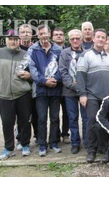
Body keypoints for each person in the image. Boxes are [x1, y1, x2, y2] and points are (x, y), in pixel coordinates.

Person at [0, 30, 32, 160]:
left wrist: (29, 76)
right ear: (6, 40)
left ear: (19, 40)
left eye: (15, 39)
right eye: (10, 39)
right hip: (4, 94)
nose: (12, 41)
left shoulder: (26, 55)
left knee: (24, 121)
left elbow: (33, 74)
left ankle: (25, 144)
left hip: (22, 93)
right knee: (7, 122)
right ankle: (8, 148)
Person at [76, 28, 109, 162]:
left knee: (103, 123)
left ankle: (104, 149)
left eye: (103, 37)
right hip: (91, 95)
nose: (101, 39)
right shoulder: (85, 55)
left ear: (106, 40)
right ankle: (91, 150)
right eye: (98, 37)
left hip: (106, 96)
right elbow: (80, 76)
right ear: (93, 38)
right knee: (91, 121)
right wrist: (82, 94)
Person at [29, 24, 63, 157]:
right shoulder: (33, 50)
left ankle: (54, 142)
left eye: (46, 33)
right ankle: (42, 145)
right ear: (38, 35)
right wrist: (44, 81)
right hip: (41, 91)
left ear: (50, 34)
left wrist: (55, 79)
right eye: (41, 33)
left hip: (55, 89)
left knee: (55, 118)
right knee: (41, 118)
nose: (44, 35)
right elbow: (32, 70)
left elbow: (62, 68)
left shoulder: (58, 50)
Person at [59, 29, 88, 154]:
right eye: (72, 39)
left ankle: (87, 142)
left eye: (77, 38)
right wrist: (72, 85)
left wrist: (81, 87)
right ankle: (75, 142)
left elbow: (88, 72)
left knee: (86, 118)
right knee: (72, 118)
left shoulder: (87, 53)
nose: (75, 40)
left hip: (84, 92)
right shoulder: (64, 53)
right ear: (69, 40)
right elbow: (63, 71)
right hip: (69, 91)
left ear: (82, 39)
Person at [52, 27, 70, 144]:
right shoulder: (49, 50)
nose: (59, 36)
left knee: (66, 112)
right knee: (54, 114)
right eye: (56, 34)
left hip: (66, 86)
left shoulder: (69, 50)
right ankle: (55, 135)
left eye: (61, 34)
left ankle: (65, 134)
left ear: (64, 37)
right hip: (53, 85)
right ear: (52, 37)